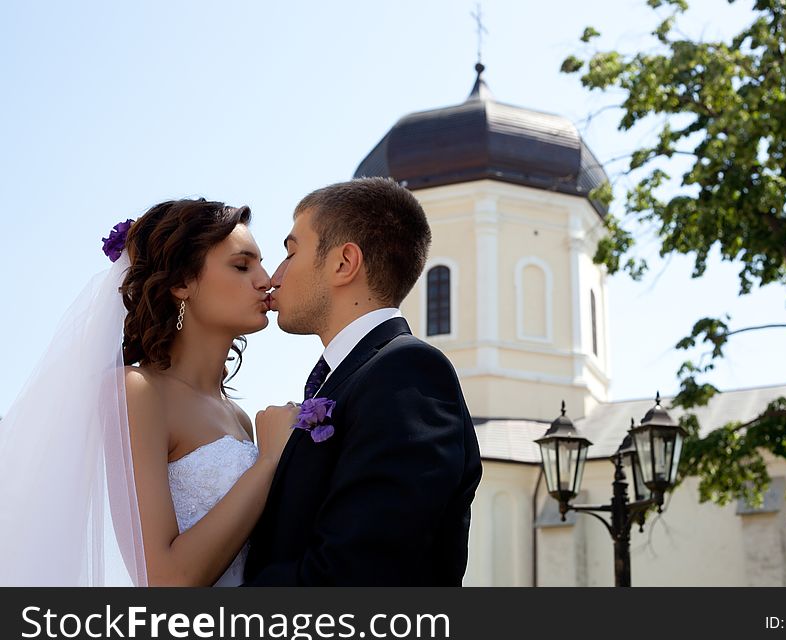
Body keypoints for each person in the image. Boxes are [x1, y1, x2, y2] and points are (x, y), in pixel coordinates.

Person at [0, 199, 298, 586]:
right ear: (180, 284)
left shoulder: (238, 416)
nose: (266, 279)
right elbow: (164, 582)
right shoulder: (136, 391)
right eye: (242, 266)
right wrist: (269, 461)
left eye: (261, 262)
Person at [244, 177, 483, 586]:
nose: (274, 277)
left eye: (291, 252)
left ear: (343, 263)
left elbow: (356, 574)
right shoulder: (355, 377)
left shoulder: (407, 372)